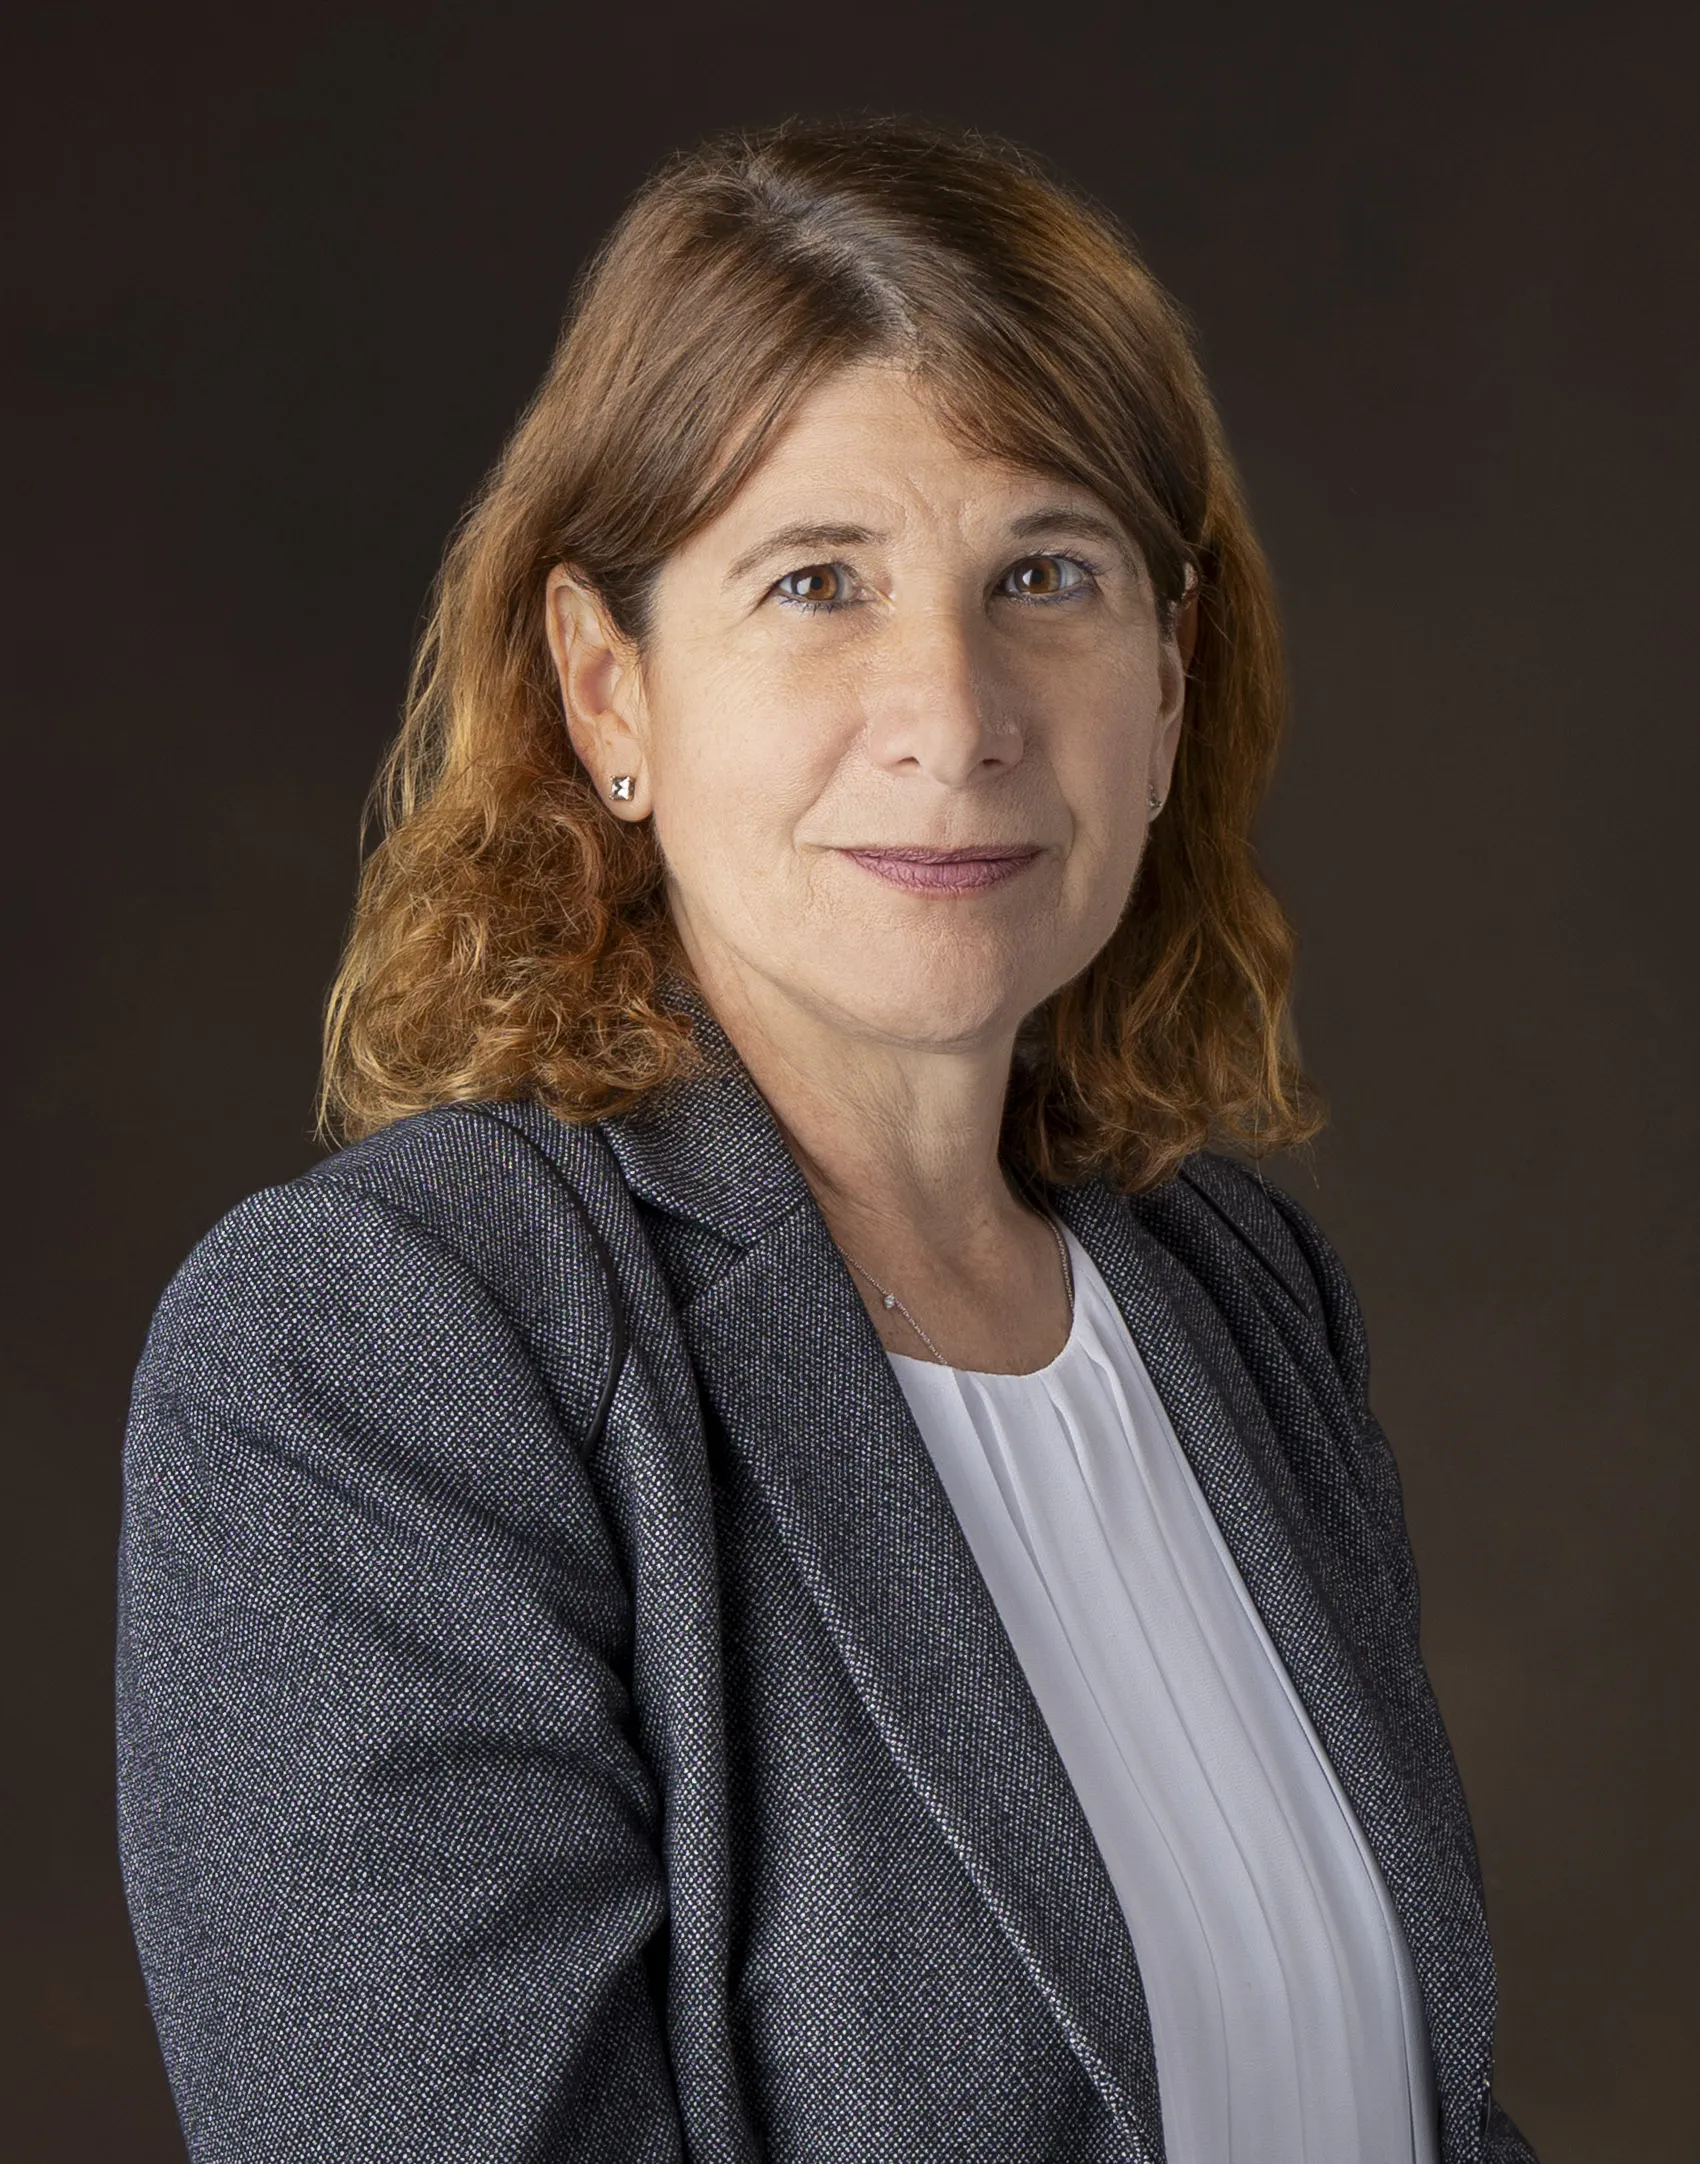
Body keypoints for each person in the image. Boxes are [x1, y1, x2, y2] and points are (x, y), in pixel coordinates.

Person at [115, 117, 1538, 2164]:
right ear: (610, 684)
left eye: (1043, 574)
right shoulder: (387, 1348)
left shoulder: (1240, 1294)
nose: (949, 713)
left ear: (1168, 669)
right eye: (816, 582)